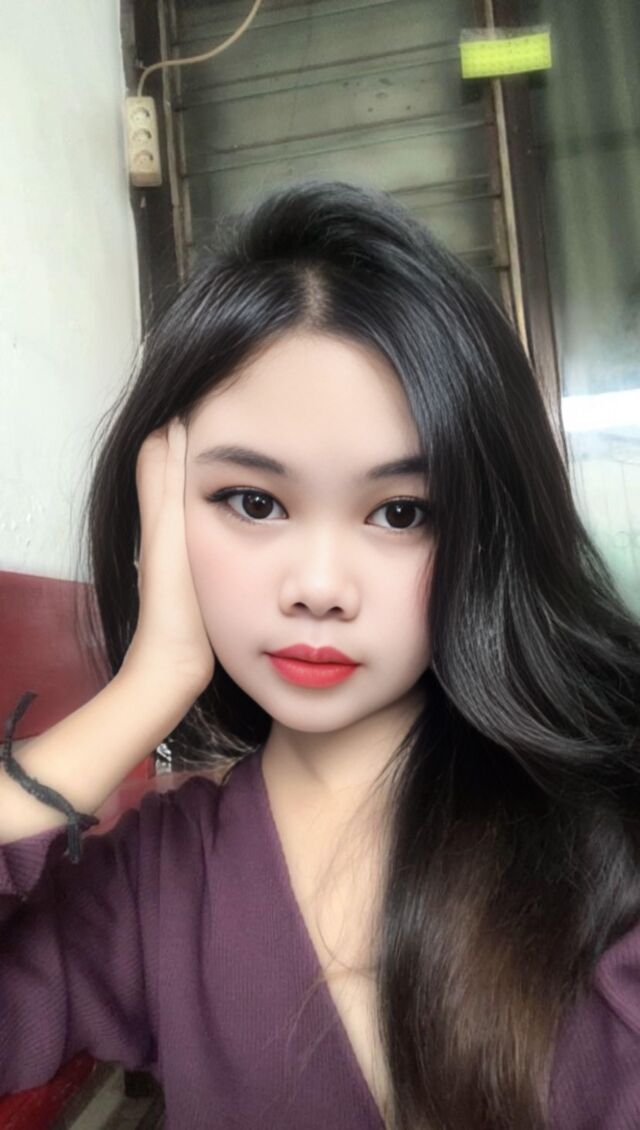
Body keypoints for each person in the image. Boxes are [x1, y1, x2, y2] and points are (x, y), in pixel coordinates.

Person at [1, 179, 639, 1130]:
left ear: (486, 532)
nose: (319, 586)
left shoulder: (609, 834)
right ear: (160, 511)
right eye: (253, 502)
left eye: (402, 512)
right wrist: (147, 685)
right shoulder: (159, 882)